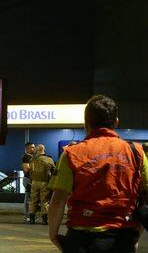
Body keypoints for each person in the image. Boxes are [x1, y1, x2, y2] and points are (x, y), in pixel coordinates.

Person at [48, 95, 148, 252]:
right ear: (116, 122)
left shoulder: (71, 154)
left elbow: (58, 200)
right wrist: (136, 234)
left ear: (85, 123)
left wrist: (53, 235)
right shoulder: (137, 152)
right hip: (122, 238)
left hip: (81, 240)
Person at [28, 144, 55, 225]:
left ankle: (32, 219)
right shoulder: (49, 160)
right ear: (44, 150)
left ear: (36, 150)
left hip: (34, 182)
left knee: (33, 200)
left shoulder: (33, 159)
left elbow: (30, 171)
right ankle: (44, 220)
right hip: (45, 182)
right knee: (45, 201)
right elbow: (54, 170)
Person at [21, 142, 35, 221]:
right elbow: (26, 170)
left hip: (30, 179)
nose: (34, 148)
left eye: (34, 147)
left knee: (31, 198)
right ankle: (28, 215)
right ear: (27, 148)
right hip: (28, 179)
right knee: (28, 198)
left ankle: (30, 214)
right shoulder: (26, 157)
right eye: (32, 147)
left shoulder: (31, 157)